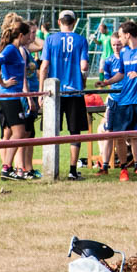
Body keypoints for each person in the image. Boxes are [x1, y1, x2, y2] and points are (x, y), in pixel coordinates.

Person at [97, 20, 137, 179]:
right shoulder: (124, 53)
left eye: (120, 35)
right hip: (125, 101)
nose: (119, 39)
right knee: (120, 135)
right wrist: (107, 82)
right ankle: (123, 169)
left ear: (127, 35)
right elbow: (122, 74)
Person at [0, 16, 38, 180]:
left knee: (14, 133)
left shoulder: (17, 50)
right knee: (20, 132)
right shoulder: (9, 49)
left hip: (14, 97)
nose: (30, 38)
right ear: (20, 35)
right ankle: (7, 168)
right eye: (28, 35)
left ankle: (7, 169)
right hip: (8, 98)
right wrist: (3, 82)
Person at [42, 12, 93, 176]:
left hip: (54, 92)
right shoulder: (81, 40)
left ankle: (51, 170)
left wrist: (41, 92)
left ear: (59, 21)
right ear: (75, 22)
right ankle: (72, 170)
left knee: (51, 130)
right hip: (74, 92)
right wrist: (82, 82)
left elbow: (44, 67)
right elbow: (84, 67)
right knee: (75, 132)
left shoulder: (50, 39)